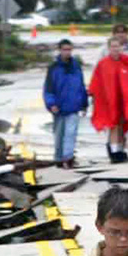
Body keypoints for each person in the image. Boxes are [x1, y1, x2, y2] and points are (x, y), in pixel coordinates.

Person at [89, 35, 128, 162]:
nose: (115, 49)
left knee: (121, 126)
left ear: (122, 47)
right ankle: (114, 153)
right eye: (113, 47)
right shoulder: (103, 64)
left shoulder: (127, 62)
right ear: (108, 48)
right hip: (109, 101)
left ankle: (120, 150)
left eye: (118, 46)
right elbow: (97, 83)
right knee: (113, 125)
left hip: (124, 101)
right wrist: (94, 97)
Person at [42, 38, 90, 168]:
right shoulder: (54, 68)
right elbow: (49, 88)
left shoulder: (76, 67)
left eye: (69, 49)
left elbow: (81, 86)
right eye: (64, 49)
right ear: (60, 50)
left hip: (73, 106)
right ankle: (58, 158)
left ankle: (68, 158)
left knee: (71, 133)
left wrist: (84, 104)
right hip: (59, 107)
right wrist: (51, 104)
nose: (67, 52)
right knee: (59, 134)